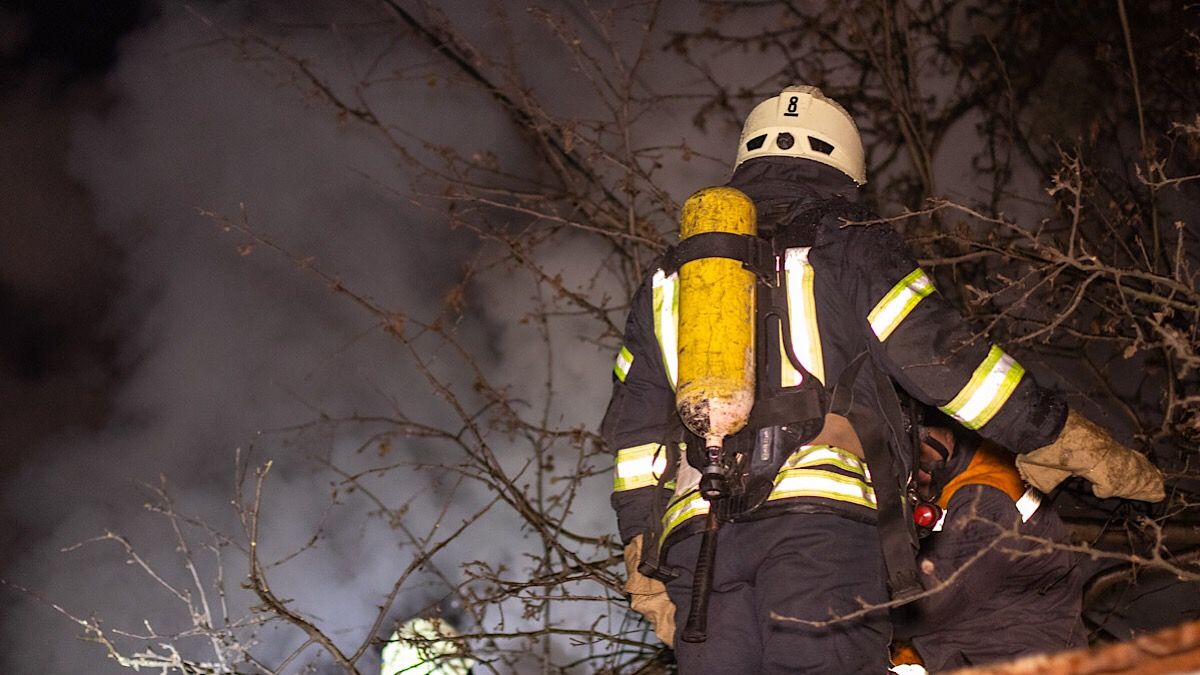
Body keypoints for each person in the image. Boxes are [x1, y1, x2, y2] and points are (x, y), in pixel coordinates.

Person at [602, 85, 1163, 674]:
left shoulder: (672, 276)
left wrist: (642, 553)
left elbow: (636, 438)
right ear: (844, 165)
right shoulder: (847, 239)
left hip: (701, 541)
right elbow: (943, 359)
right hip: (820, 530)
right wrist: (1057, 432)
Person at [890, 411, 1086, 673]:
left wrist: (845, 606)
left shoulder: (985, 498)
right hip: (973, 651)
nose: (912, 469)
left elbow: (928, 606)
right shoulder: (970, 481)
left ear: (944, 433)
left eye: (910, 448)